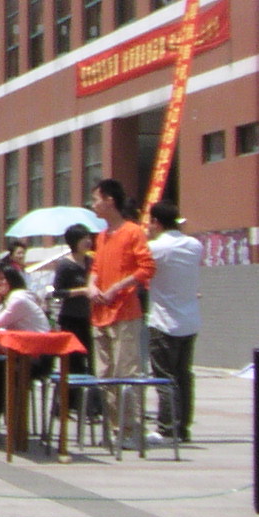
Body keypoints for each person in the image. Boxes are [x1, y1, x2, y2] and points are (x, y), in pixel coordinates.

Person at [86, 178, 154, 443]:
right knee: (104, 374)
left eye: (96, 199)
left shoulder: (133, 231)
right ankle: (113, 427)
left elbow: (146, 268)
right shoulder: (101, 236)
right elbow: (95, 268)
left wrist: (117, 287)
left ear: (109, 200)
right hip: (100, 313)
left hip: (125, 313)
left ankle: (130, 429)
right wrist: (92, 285)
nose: (93, 205)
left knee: (125, 372)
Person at [145, 201, 203, 442]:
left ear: (156, 222)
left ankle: (168, 428)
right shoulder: (195, 246)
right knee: (184, 376)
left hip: (163, 321)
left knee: (165, 377)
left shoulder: (155, 248)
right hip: (189, 320)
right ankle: (183, 428)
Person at [52, 225, 95, 377]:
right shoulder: (65, 265)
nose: (88, 241)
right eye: (84, 239)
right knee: (74, 362)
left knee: (93, 361)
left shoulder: (92, 262)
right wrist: (81, 291)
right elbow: (57, 292)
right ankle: (71, 391)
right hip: (71, 319)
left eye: (89, 238)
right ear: (74, 241)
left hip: (90, 317)